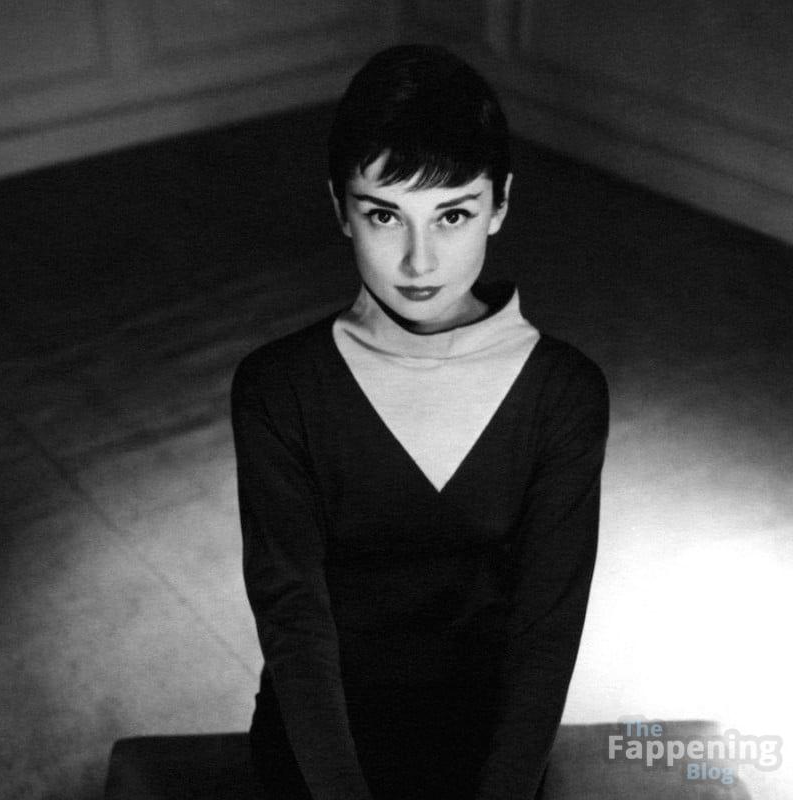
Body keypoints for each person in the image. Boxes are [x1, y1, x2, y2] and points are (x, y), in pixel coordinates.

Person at [231, 44, 609, 800]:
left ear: (499, 204)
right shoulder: (278, 387)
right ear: (340, 209)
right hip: (318, 752)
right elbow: (294, 623)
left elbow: (547, 630)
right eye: (384, 215)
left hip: (488, 750)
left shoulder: (563, 393)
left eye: (453, 214)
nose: (419, 261)